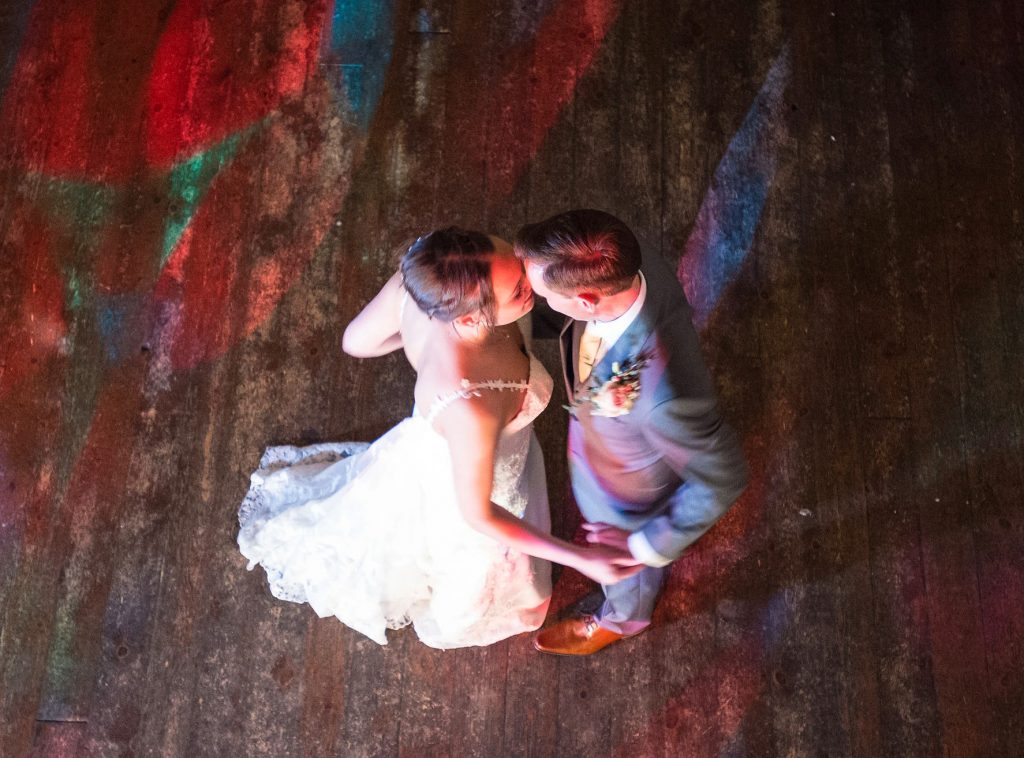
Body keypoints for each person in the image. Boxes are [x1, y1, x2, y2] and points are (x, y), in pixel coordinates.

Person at [237, 227, 641, 649]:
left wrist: (416, 342)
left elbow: (356, 342)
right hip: (476, 481)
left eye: (518, 264)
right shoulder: (469, 402)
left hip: (463, 444)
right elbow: (479, 515)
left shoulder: (431, 275)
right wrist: (579, 557)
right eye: (520, 289)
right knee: (483, 565)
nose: (532, 282)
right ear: (468, 318)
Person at [515, 209, 749, 656]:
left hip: (630, 499)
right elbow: (567, 322)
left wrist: (642, 545)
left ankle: (624, 620)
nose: (534, 295)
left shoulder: (668, 399)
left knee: (627, 578)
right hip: (603, 445)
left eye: (539, 292)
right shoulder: (620, 257)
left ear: (585, 300)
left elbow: (726, 476)